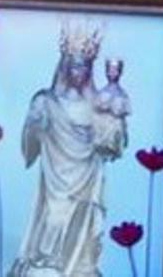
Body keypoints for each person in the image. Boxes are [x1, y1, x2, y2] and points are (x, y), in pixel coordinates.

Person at [12, 21, 126, 276]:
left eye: (85, 67)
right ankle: (46, 260)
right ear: (65, 67)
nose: (80, 72)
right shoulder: (47, 100)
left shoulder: (98, 103)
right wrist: (35, 123)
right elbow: (31, 141)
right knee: (55, 216)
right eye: (75, 65)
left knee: (85, 222)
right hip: (57, 175)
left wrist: (115, 126)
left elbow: (112, 147)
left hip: (88, 175)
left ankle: (79, 265)